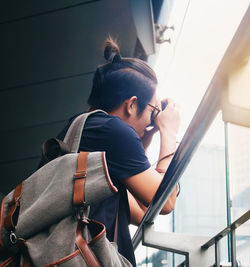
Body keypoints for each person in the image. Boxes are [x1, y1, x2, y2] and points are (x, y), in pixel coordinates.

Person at [56, 37, 180, 266]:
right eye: (152, 111)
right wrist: (168, 133)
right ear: (132, 104)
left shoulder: (83, 130)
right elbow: (165, 203)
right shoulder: (113, 131)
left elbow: (143, 210)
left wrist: (147, 137)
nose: (153, 120)